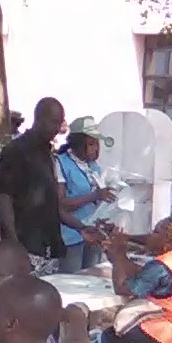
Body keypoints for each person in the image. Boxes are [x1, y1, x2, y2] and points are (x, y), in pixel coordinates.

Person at [0, 97, 67, 274]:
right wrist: (14, 244)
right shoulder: (16, 150)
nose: (58, 129)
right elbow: (4, 196)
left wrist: (81, 227)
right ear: (40, 118)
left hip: (49, 245)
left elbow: (51, 202)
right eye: (54, 122)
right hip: (27, 246)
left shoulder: (47, 152)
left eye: (60, 123)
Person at [55, 116, 115, 274]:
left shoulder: (94, 167)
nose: (95, 148)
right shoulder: (60, 163)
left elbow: (98, 199)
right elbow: (61, 204)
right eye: (91, 144)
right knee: (72, 279)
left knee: (91, 276)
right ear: (77, 143)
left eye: (97, 144)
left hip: (93, 231)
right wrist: (94, 196)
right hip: (71, 234)